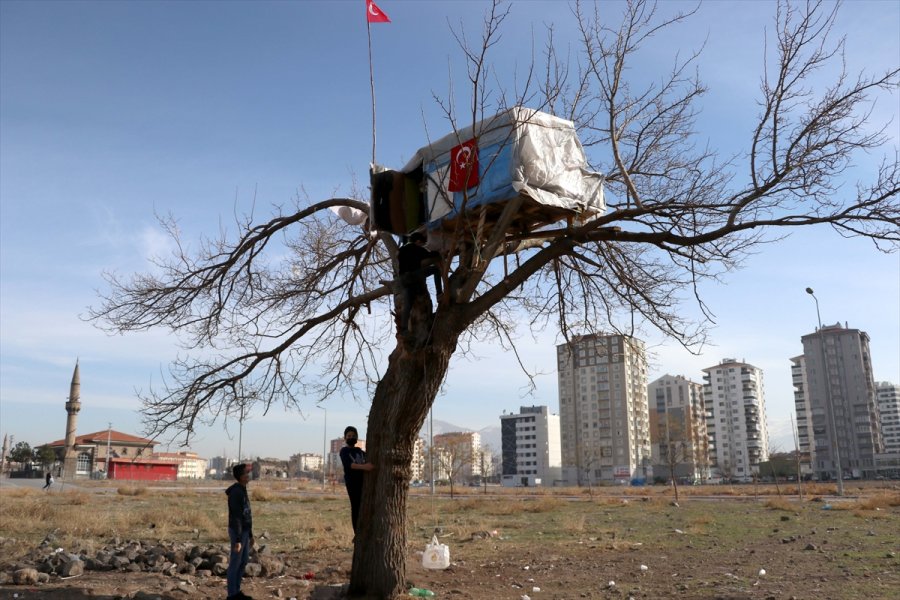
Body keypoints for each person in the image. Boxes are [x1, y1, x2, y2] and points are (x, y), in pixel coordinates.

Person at [397, 232, 442, 333]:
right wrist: (440, 252)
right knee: (435, 270)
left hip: (403, 279)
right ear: (418, 241)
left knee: (408, 304)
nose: (422, 245)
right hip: (413, 275)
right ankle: (439, 293)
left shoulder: (402, 249)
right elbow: (432, 254)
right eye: (422, 243)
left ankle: (404, 329)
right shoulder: (417, 249)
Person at [225, 463, 254, 600]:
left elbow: (246, 514)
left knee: (243, 562)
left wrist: (250, 534)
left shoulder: (243, 489)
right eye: (246, 473)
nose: (248, 475)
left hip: (245, 532)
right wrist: (237, 539)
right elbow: (236, 517)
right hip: (238, 532)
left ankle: (236, 591)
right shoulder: (236, 492)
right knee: (235, 563)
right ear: (241, 477)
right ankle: (232, 595)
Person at [339, 426, 373, 534]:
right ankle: (357, 532)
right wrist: (365, 467)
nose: (351, 437)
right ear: (345, 438)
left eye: (353, 436)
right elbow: (350, 465)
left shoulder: (359, 451)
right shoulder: (344, 451)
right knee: (356, 506)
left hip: (363, 481)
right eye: (349, 436)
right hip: (352, 483)